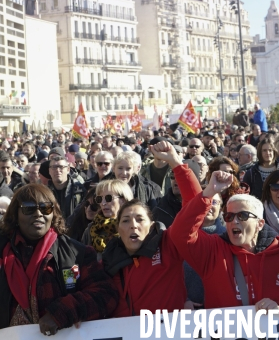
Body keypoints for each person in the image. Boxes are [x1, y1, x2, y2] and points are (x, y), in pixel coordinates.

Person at [169, 169, 279, 309]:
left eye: (242, 216)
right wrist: (209, 192)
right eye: (229, 217)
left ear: (260, 224)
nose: (234, 221)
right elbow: (180, 233)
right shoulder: (213, 251)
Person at [0, 184, 118, 333]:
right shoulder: (2, 253)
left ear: (53, 213)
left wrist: (63, 312)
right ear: (15, 215)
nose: (38, 214)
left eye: (46, 208)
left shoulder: (77, 253)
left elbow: (105, 294)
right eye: (29, 208)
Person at [102, 141, 202, 315]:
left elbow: (194, 205)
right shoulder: (108, 258)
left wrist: (175, 162)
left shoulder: (168, 246)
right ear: (118, 228)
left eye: (140, 219)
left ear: (152, 225)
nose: (133, 225)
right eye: (125, 220)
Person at [81, 179, 133, 256]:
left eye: (108, 198)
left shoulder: (132, 227)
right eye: (99, 199)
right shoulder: (91, 229)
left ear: (123, 200)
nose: (103, 203)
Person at [243, 136, 278, 200]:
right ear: (260, 152)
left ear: (274, 151)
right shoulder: (251, 173)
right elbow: (245, 195)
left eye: (270, 150)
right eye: (264, 150)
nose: (268, 153)